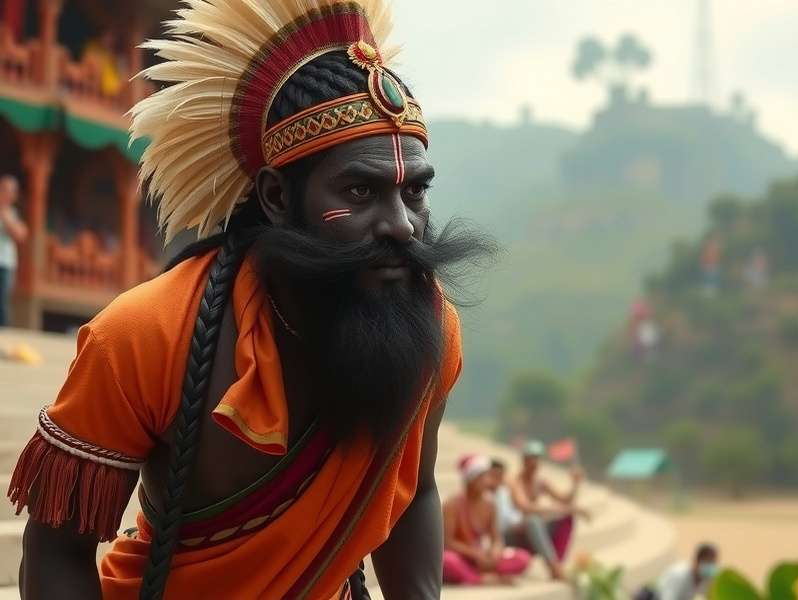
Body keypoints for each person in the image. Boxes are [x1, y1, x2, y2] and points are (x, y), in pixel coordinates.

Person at [8, 1, 495, 598]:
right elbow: (56, 549)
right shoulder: (143, 334)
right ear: (276, 197)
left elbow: (414, 491)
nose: (401, 224)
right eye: (359, 191)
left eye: (414, 192)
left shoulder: (432, 325)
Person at [505, 441, 590, 579]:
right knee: (533, 520)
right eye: (531, 458)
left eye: (537, 459)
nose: (534, 463)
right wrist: (566, 508)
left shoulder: (540, 482)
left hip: (534, 531)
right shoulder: (515, 481)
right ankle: (553, 567)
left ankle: (557, 563)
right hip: (514, 533)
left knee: (566, 518)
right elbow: (525, 506)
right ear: (524, 460)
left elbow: (564, 499)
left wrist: (575, 484)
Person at [442, 455, 530, 586]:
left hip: (482, 559)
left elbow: (496, 538)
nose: (487, 481)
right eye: (482, 477)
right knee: (447, 561)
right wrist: (475, 554)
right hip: (461, 557)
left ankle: (476, 575)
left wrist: (495, 552)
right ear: (470, 479)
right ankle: (481, 579)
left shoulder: (490, 505)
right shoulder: (452, 505)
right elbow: (448, 542)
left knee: (522, 557)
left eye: (487, 477)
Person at [0, 175, 28, 327]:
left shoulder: (14, 214)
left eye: (10, 191)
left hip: (5, 263)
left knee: (2, 301)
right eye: (3, 189)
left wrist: (5, 216)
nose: (6, 193)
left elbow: (21, 234)